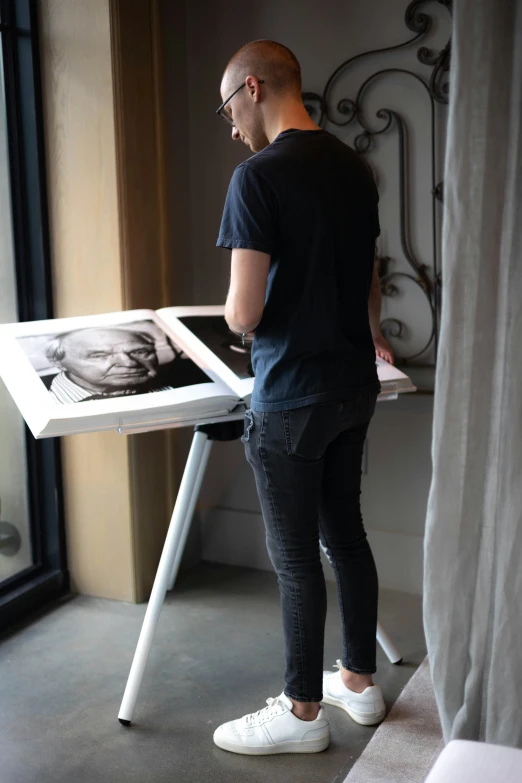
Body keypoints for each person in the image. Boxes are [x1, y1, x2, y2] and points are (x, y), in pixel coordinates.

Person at [213, 39, 395, 756]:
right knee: (345, 535)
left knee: (294, 559)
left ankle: (301, 710)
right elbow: (372, 271)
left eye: (228, 107)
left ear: (253, 87)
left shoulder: (257, 176)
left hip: (290, 395)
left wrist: (230, 315)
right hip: (354, 385)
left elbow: (244, 313)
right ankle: (360, 680)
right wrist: (375, 337)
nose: (230, 126)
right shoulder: (353, 167)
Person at [45, 327, 176, 403]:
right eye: (99, 355)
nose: (129, 363)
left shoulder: (180, 384)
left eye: (139, 351)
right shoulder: (42, 401)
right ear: (58, 362)